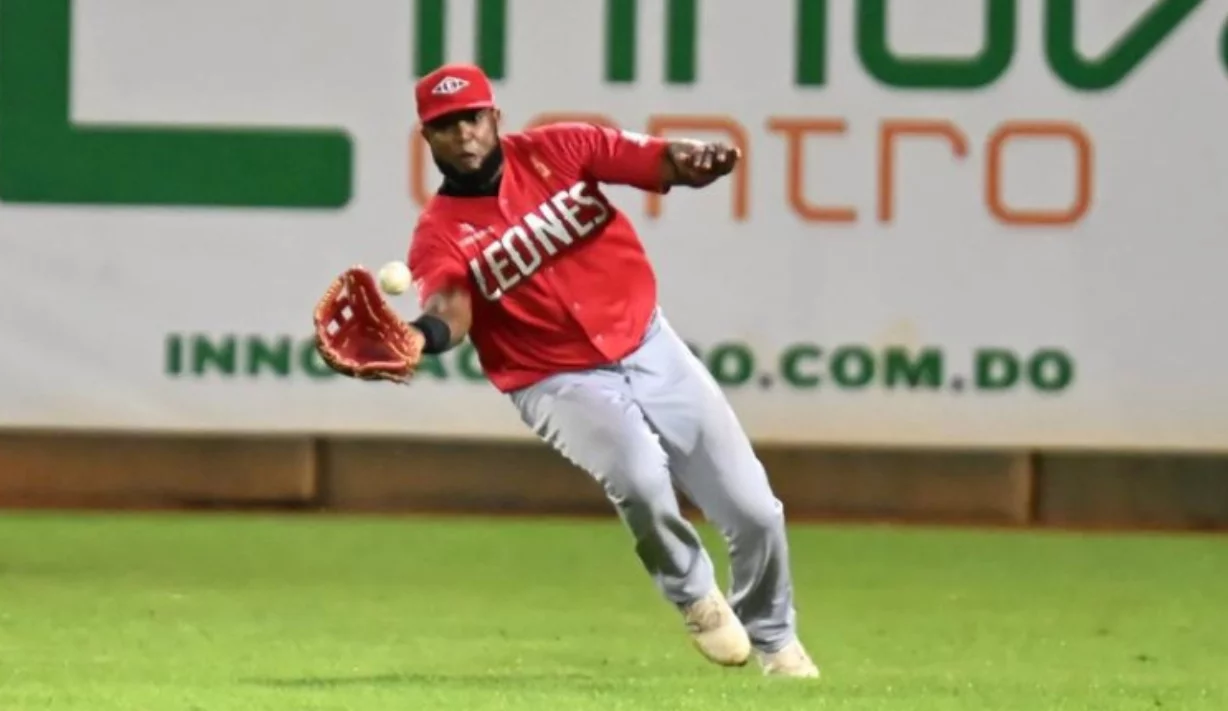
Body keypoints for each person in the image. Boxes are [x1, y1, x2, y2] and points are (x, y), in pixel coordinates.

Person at [402, 63, 818, 678]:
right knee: (643, 479)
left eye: (471, 117)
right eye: (444, 125)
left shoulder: (561, 148)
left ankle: (775, 636)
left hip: (649, 344)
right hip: (554, 379)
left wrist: (693, 160)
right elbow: (450, 308)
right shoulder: (438, 236)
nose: (462, 133)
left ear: (496, 118)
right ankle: (696, 597)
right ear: (428, 138)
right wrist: (419, 336)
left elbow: (652, 159)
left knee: (756, 509)